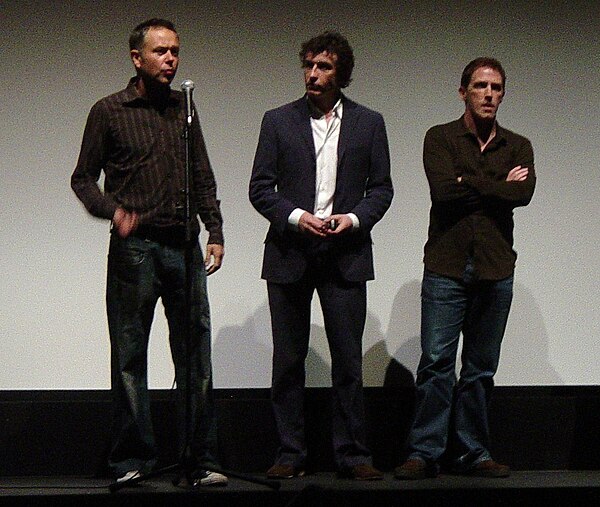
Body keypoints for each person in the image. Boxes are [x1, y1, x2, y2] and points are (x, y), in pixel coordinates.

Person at [71, 18, 227, 487]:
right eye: (161, 52)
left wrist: (214, 230)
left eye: (176, 51)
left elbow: (201, 173)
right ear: (137, 58)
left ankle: (200, 459)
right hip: (135, 250)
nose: (171, 60)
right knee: (130, 357)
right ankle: (132, 460)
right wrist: (112, 211)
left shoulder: (186, 108)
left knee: (195, 358)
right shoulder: (110, 110)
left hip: (184, 246)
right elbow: (82, 178)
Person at [249, 31, 393, 480]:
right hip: (290, 253)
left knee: (348, 361)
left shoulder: (369, 123)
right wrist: (295, 217)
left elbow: (382, 189)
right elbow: (260, 189)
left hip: (344, 254)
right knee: (288, 362)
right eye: (309, 65)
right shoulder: (278, 120)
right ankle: (291, 453)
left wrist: (351, 219)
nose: (313, 74)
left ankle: (352, 455)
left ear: (340, 72)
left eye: (324, 66)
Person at [395, 57, 536, 480]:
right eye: (480, 86)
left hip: (495, 268)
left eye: (496, 87)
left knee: (479, 368)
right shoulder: (440, 138)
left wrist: (468, 182)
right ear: (463, 92)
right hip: (446, 265)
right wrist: (498, 186)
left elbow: (523, 193)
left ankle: (474, 452)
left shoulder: (518, 145)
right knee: (437, 362)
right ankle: (424, 452)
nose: (489, 94)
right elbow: (443, 192)